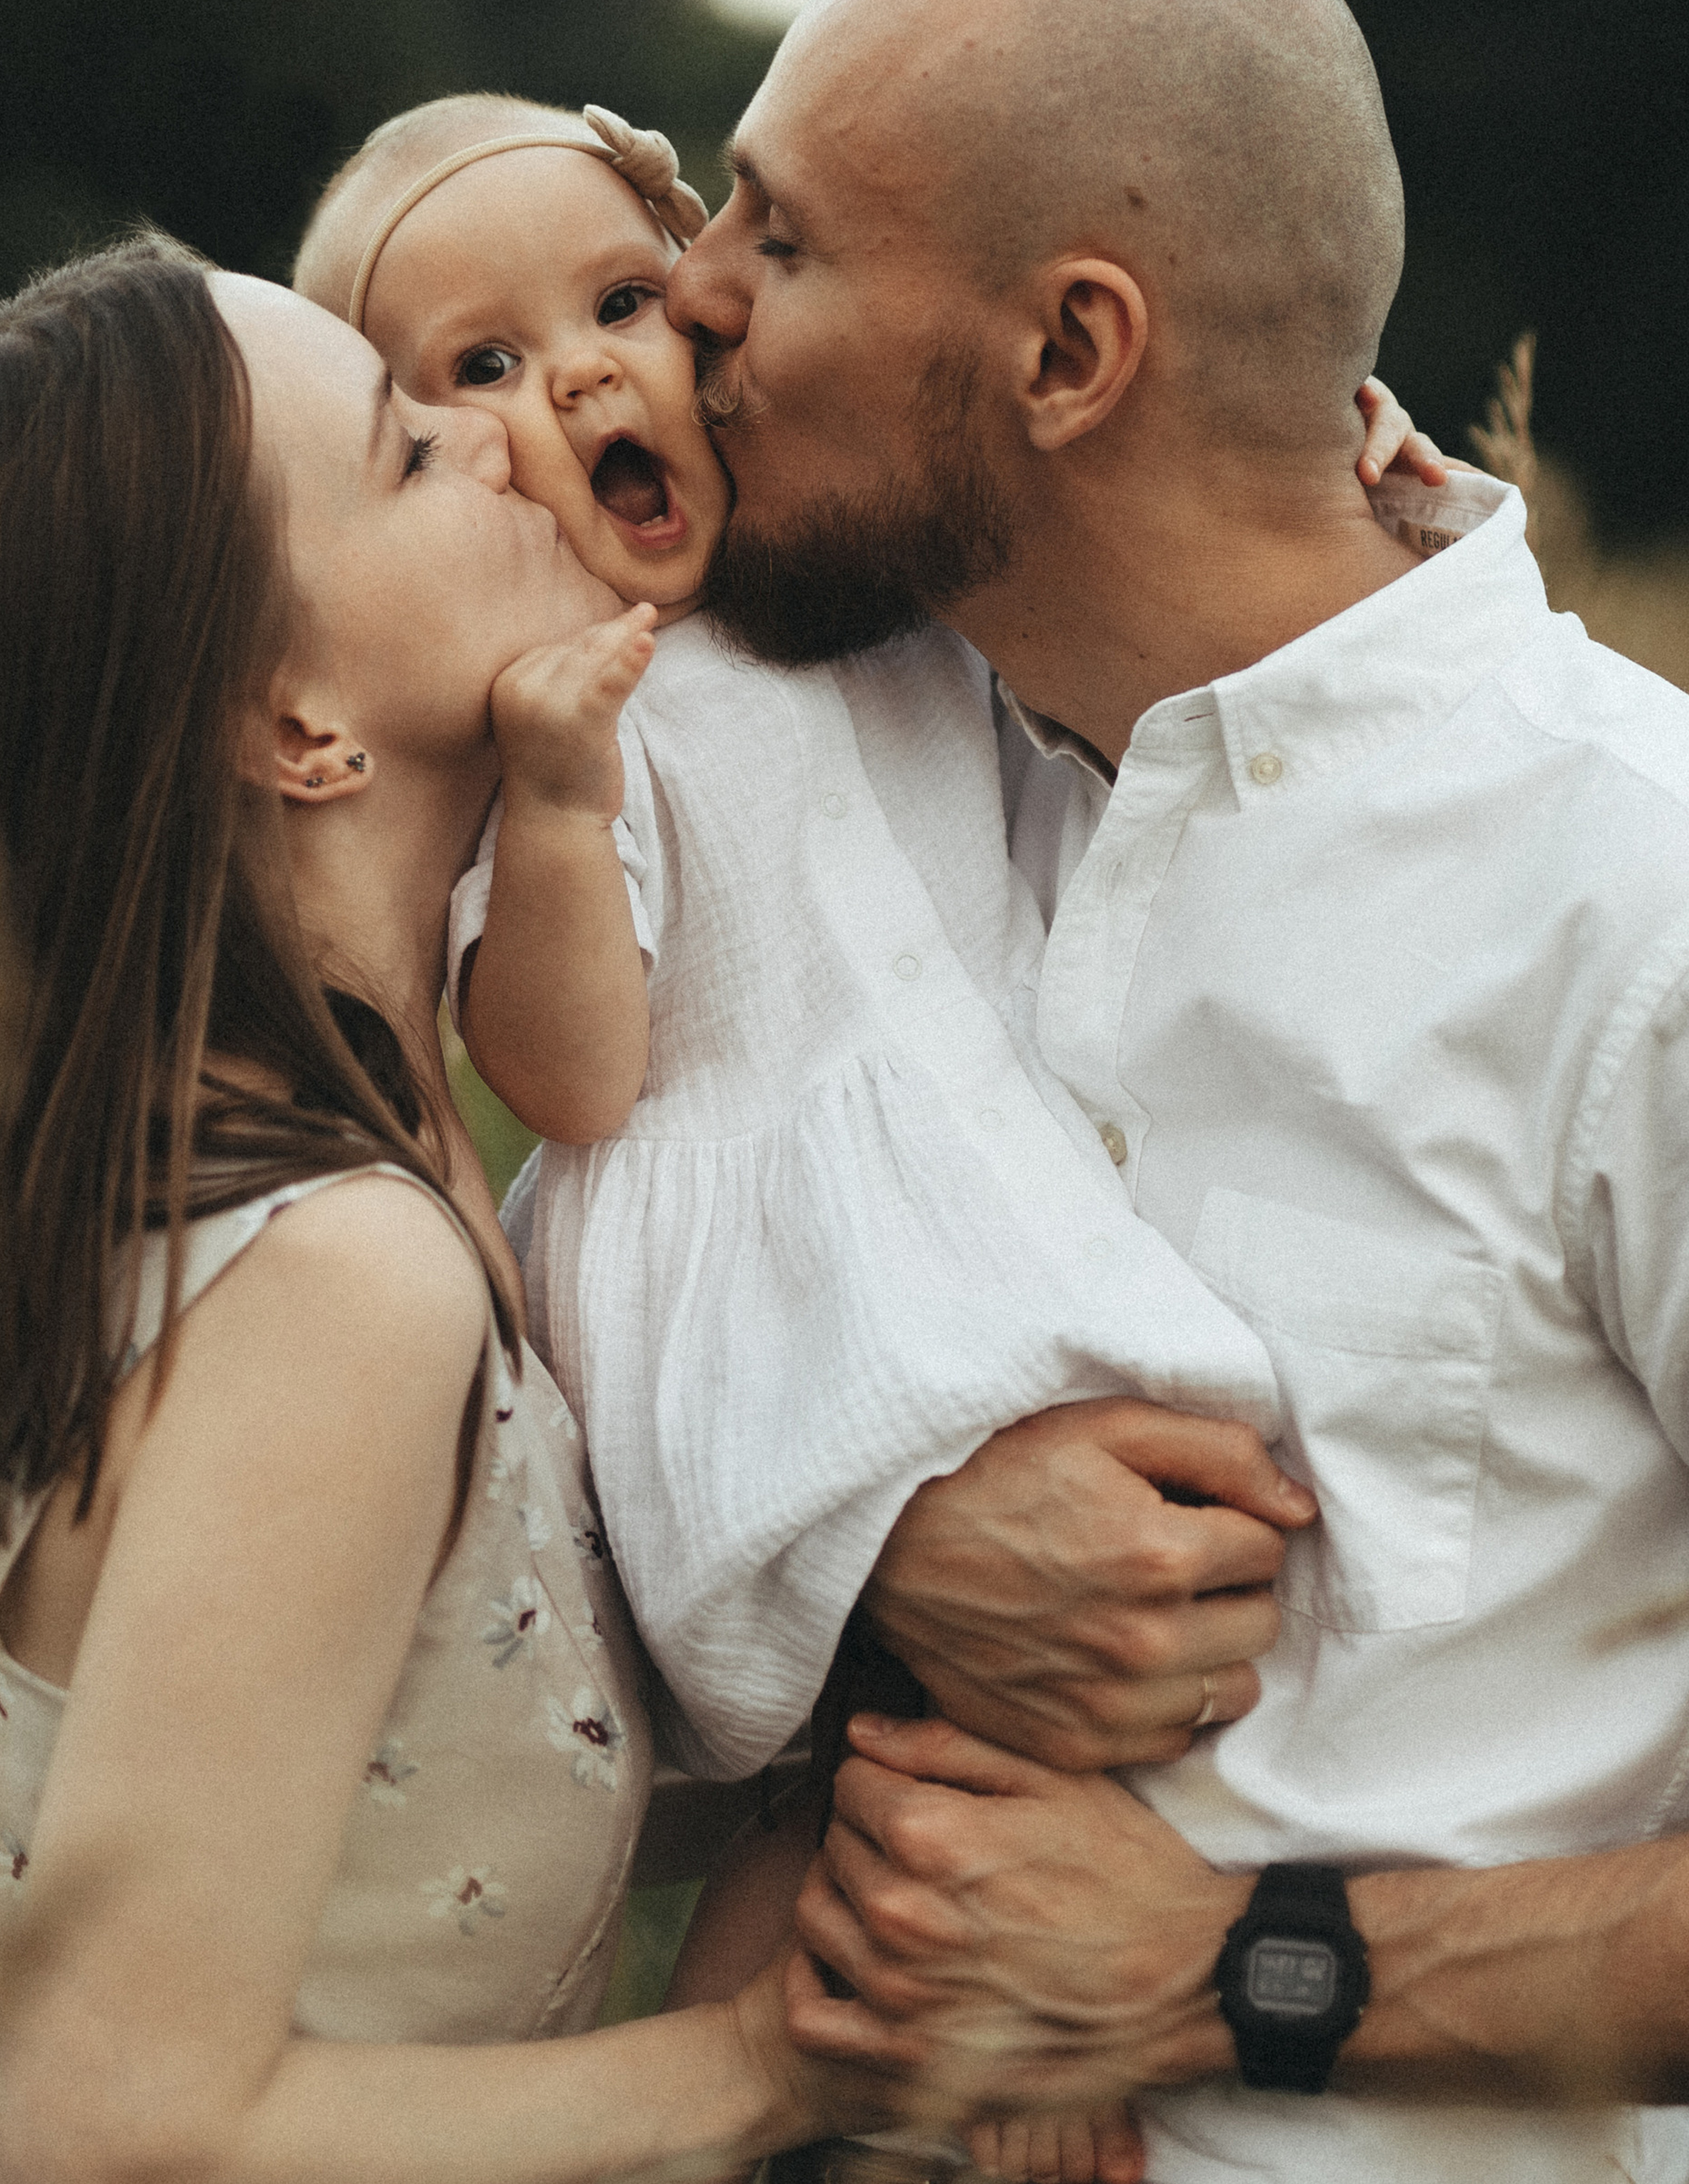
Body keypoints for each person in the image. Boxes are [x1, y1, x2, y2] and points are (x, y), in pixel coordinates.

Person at [655, 0, 1689, 2183]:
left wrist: (1235, 1965)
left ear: (1068, 353)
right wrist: (869, 1538)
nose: (691, 291)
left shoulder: (1641, 904)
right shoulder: (836, 792)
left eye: (780, 237)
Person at [292, 92, 1446, 1804]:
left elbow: (1117, 582)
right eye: (483, 366)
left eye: (622, 304)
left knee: (1104, 1688)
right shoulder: (558, 711)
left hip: (1013, 1193)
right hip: (788, 1300)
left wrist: (1311, 464)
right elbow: (569, 1081)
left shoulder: (867, 588)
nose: (585, 377)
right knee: (874, 1779)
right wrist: (556, 801)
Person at [0, 240, 901, 2184]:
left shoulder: (364, 1167)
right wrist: (782, 2069)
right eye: (407, 449)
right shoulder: (333, 1285)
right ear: (294, 728)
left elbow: (427, 1804)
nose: (500, 435)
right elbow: (114, 2119)